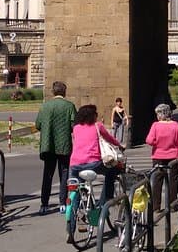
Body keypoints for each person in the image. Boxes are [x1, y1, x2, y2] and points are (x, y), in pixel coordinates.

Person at [67, 104, 123, 241]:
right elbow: (109, 138)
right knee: (112, 171)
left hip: (74, 165)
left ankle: (70, 230)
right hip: (93, 163)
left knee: (75, 194)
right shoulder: (98, 126)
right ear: (93, 115)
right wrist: (120, 145)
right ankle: (104, 202)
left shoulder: (76, 128)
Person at [34, 81, 76, 215]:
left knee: (47, 174)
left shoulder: (45, 106)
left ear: (53, 92)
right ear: (64, 92)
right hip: (63, 145)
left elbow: (38, 124)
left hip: (48, 144)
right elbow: (73, 125)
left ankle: (44, 204)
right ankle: (62, 203)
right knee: (64, 173)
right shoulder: (69, 106)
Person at [145, 103, 178, 211]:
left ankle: (156, 206)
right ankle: (172, 205)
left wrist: (157, 142)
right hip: (173, 156)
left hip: (158, 156)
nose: (157, 116)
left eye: (157, 114)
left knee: (157, 181)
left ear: (160, 114)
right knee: (173, 180)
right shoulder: (175, 125)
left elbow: (149, 140)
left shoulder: (155, 125)